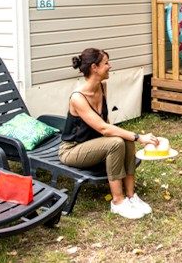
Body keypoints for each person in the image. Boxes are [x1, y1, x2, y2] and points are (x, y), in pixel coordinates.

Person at [59, 48, 158, 219]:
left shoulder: (102, 86)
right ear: (94, 67)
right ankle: (118, 202)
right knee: (117, 142)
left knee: (125, 140)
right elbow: (103, 129)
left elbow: (107, 123)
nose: (110, 66)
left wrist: (129, 137)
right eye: (106, 63)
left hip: (94, 144)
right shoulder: (78, 97)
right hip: (72, 150)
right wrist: (139, 137)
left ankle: (131, 196)